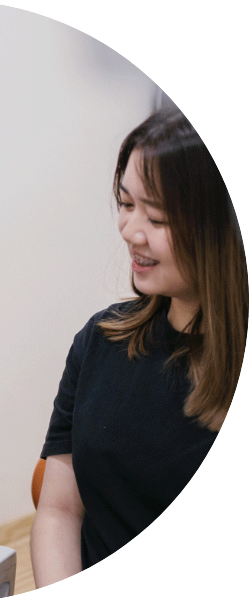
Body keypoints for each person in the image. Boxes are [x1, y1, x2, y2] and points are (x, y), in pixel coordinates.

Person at [30, 106, 248, 587]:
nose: (130, 231)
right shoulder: (101, 339)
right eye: (126, 204)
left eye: (156, 216)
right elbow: (60, 512)